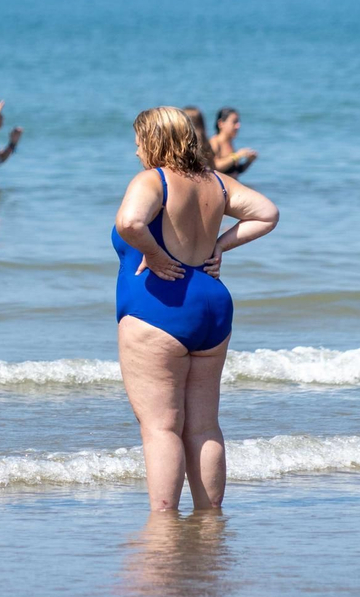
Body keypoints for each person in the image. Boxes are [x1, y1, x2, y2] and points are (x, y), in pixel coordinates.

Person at [112, 107, 280, 512]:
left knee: (161, 428)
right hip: (212, 307)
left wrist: (152, 253)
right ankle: (209, 519)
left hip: (160, 307)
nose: (135, 150)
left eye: (139, 140)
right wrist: (219, 245)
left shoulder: (152, 180)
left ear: (154, 140)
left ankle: (165, 523)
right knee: (204, 426)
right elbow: (267, 213)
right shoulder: (217, 182)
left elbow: (129, 222)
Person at [209, 107, 257, 176]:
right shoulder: (214, 142)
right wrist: (237, 155)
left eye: (238, 122)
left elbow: (236, 171)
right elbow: (215, 167)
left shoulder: (229, 142)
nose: (238, 126)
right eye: (234, 122)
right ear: (221, 123)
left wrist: (249, 161)